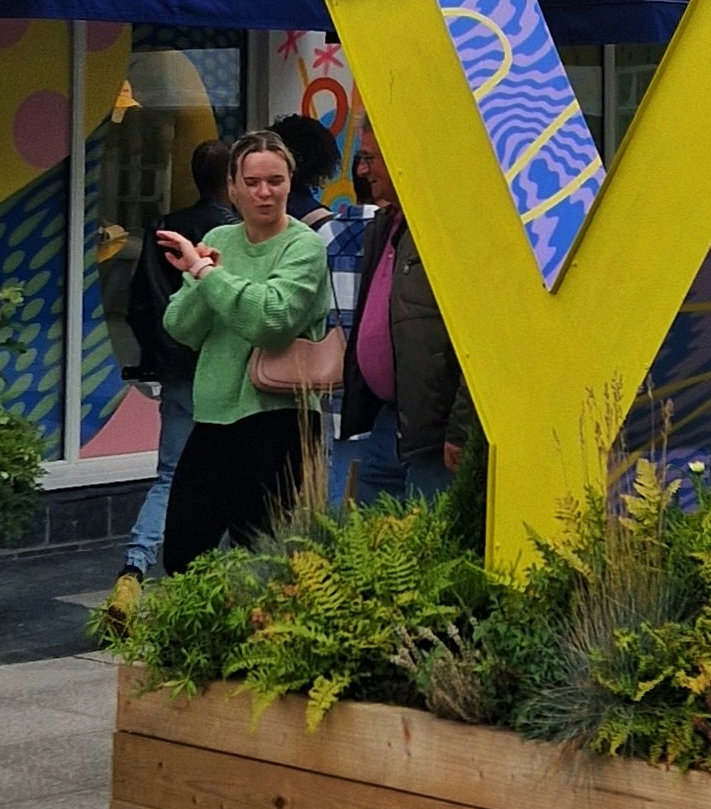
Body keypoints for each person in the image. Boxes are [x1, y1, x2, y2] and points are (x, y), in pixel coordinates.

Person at [155, 128, 333, 572]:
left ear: (291, 183)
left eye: (275, 181)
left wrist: (206, 273)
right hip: (214, 418)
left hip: (279, 420)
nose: (265, 193)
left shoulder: (304, 247)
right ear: (231, 188)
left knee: (261, 562)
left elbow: (271, 322)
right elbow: (179, 325)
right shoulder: (222, 237)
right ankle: (195, 642)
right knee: (182, 553)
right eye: (252, 183)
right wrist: (200, 279)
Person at [333, 151, 468, 509]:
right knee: (373, 543)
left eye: (370, 157)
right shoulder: (386, 224)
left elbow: (478, 342)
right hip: (389, 418)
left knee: (423, 550)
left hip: (435, 431)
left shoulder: (446, 228)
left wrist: (461, 428)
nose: (362, 169)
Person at [123, 137, 231, 578]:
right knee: (227, 477)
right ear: (231, 181)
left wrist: (157, 356)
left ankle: (135, 563)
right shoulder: (234, 235)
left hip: (177, 370)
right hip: (222, 370)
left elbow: (140, 302)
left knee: (170, 474)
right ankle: (205, 574)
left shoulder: (165, 228)